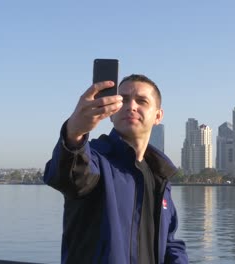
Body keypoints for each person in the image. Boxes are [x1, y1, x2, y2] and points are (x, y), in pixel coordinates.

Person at [44, 74, 188, 264]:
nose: (131, 106)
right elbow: (67, 176)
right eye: (124, 100)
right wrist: (74, 132)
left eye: (142, 101)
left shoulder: (159, 176)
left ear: (158, 116)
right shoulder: (94, 158)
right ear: (112, 113)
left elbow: (169, 243)